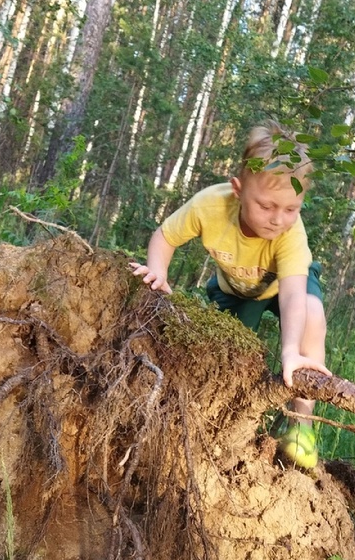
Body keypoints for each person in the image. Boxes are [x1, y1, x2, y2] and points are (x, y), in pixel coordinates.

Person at [129, 125, 331, 469]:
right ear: (238, 190)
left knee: (312, 315)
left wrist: (289, 352)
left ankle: (302, 424)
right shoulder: (210, 205)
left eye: (291, 208)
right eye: (267, 205)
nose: (278, 219)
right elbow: (165, 236)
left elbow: (293, 295)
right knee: (227, 355)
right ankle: (221, 422)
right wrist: (157, 272)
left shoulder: (290, 235)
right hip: (237, 292)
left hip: (287, 285)